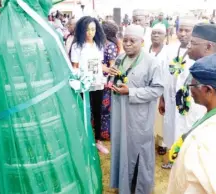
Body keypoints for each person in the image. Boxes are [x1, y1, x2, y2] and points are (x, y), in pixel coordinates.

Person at [109, 24, 164, 194]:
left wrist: (131, 92)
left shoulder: (151, 62)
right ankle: (123, 185)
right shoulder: (120, 58)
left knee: (138, 152)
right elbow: (116, 79)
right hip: (120, 114)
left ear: (142, 41)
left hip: (138, 118)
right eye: (125, 40)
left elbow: (157, 89)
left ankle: (138, 188)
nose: (127, 44)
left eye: (132, 41)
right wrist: (111, 75)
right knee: (121, 148)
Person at [167, 54, 216, 194]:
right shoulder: (215, 116)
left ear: (207, 90)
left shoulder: (209, 137)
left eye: (191, 85)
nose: (189, 90)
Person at [158, 17, 205, 169]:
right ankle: (174, 159)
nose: (183, 34)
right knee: (172, 128)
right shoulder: (170, 50)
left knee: (187, 129)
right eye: (180, 30)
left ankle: (186, 163)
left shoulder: (199, 53)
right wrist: (162, 99)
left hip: (191, 103)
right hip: (171, 99)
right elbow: (165, 75)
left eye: (187, 30)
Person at [70, 16, 109, 154]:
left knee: (97, 111)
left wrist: (107, 70)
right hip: (83, 84)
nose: (90, 33)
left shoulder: (99, 45)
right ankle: (83, 140)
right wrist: (80, 79)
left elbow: (99, 64)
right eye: (87, 30)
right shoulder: (77, 46)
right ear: (81, 30)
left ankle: (98, 140)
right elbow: (75, 66)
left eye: (93, 29)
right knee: (83, 111)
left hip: (97, 83)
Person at [146, 23, 170, 156]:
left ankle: (162, 143)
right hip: (147, 89)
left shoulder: (167, 52)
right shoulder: (145, 50)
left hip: (161, 90)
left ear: (164, 36)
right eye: (153, 33)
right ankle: (149, 139)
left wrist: (164, 96)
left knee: (160, 116)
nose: (155, 35)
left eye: (159, 33)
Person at [101, 21, 119, 140]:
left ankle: (106, 133)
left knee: (105, 109)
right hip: (99, 80)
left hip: (106, 81)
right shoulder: (101, 44)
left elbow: (112, 66)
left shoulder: (110, 46)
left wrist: (108, 81)